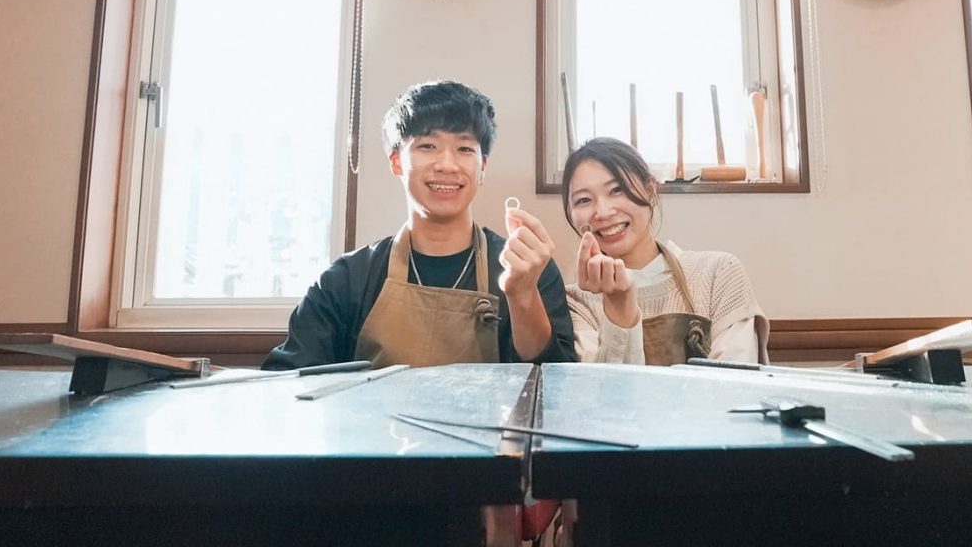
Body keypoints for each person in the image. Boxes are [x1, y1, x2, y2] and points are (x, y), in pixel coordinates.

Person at [263, 80, 575, 370]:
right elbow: (287, 380)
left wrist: (523, 296)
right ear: (396, 161)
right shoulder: (346, 280)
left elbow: (554, 383)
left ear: (482, 167)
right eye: (428, 146)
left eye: (464, 148)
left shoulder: (528, 271)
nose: (447, 165)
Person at [562, 137, 768, 365]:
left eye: (617, 190)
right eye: (583, 200)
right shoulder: (575, 302)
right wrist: (619, 308)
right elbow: (604, 386)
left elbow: (735, 380)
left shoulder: (718, 274)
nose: (602, 212)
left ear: (650, 189)